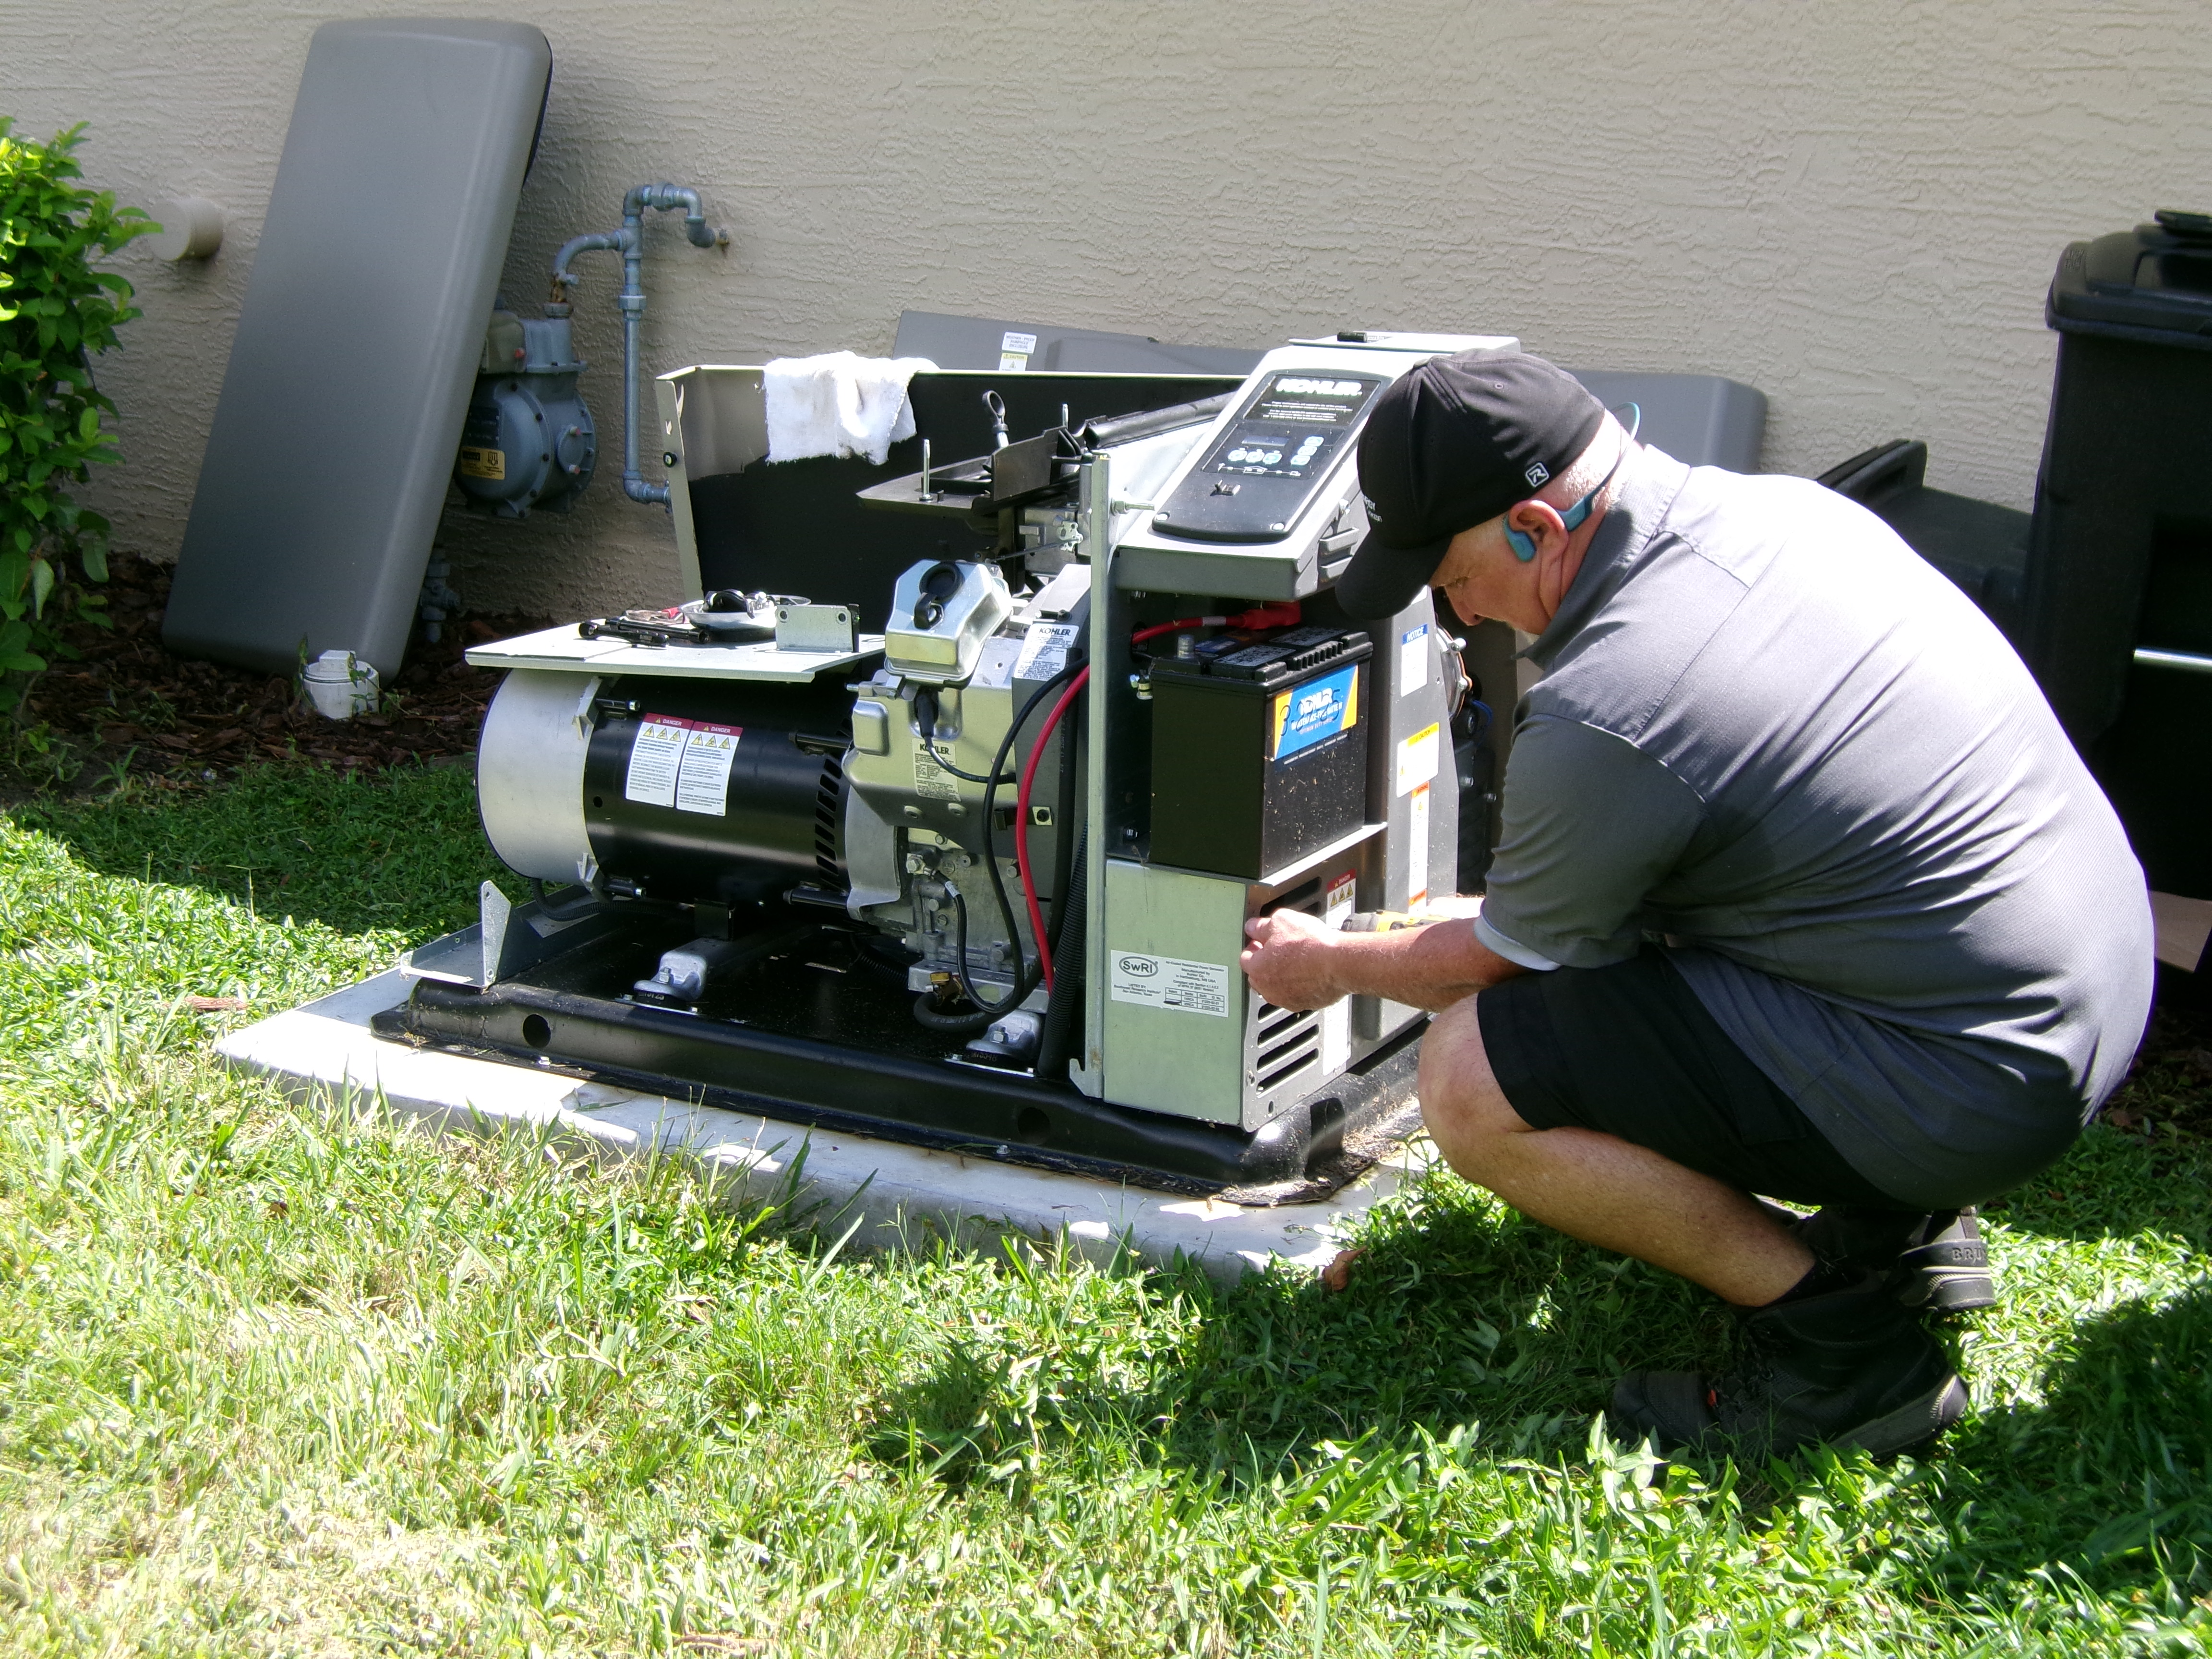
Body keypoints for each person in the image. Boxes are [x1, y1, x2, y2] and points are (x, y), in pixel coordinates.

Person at [1239, 351, 2153, 1460]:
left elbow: (1500, 965)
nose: (1448, 599)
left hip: (1969, 1080)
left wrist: (1328, 959)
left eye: (1448, 567)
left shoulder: (1616, 703)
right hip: (2080, 997)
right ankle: (1906, 1231)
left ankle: (1847, 1359)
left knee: (1472, 1079)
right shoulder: (1792, 515)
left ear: (1535, 524)